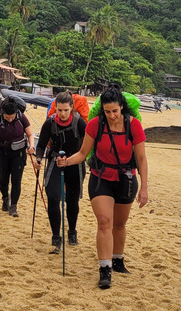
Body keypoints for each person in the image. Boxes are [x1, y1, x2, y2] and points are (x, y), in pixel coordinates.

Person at [57, 87, 148, 289]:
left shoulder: (133, 126)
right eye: (107, 112)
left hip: (126, 179)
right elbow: (83, 153)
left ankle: (117, 260)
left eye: (115, 111)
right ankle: (104, 269)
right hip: (101, 179)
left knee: (120, 224)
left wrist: (144, 189)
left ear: (122, 107)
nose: (112, 115)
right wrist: (66, 162)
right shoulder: (96, 125)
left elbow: (141, 159)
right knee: (105, 222)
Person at [34, 91, 87, 254]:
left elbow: (88, 146)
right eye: (59, 110)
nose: (62, 114)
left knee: (72, 200)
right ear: (55, 108)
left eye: (66, 110)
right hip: (55, 162)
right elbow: (41, 144)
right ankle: (56, 237)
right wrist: (38, 158)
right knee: (54, 197)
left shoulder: (80, 123)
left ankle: (72, 231)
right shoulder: (49, 123)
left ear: (72, 107)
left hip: (75, 163)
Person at [0, 97, 36, 218]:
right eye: (7, 117)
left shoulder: (21, 117)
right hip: (1, 152)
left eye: (12, 117)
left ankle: (13, 206)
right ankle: (5, 198)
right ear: (3, 113)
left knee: (16, 180)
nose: (10, 119)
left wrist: (32, 147)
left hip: (18, 153)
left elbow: (30, 134)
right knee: (3, 180)